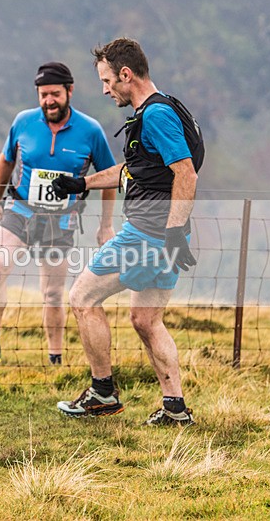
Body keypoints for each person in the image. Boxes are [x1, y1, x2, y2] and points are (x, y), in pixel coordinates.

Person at [50, 38, 204, 426]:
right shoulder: (160, 108)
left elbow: (185, 171)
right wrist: (82, 184)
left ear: (125, 74)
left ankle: (102, 392)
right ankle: (175, 408)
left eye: (106, 80)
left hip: (149, 234)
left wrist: (171, 232)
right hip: (166, 234)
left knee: (82, 297)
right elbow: (135, 169)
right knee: (146, 319)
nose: (104, 90)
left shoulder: (156, 116)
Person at [0, 62, 117, 369]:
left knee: (52, 292)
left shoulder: (91, 130)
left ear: (69, 92)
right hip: (20, 208)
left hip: (60, 218)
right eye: (43, 94)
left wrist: (106, 225)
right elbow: (5, 160)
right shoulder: (23, 122)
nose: (49, 100)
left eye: (55, 94)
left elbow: (110, 176)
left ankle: (55, 358)